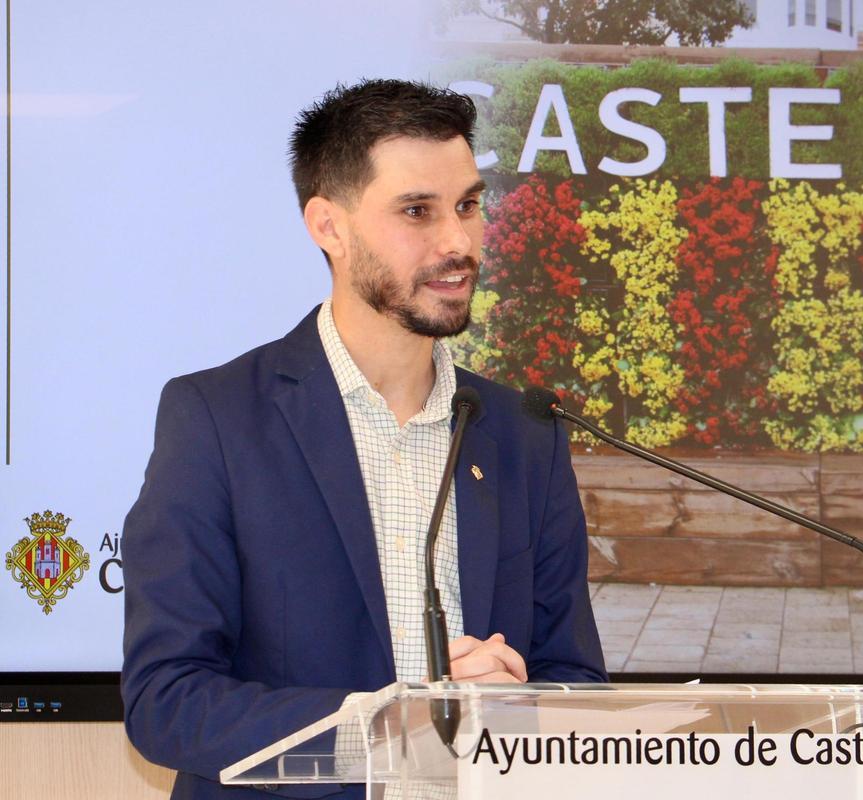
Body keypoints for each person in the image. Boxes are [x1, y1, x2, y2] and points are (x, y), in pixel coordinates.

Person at [121, 79, 607, 800]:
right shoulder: (217, 419)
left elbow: (574, 678)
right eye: (418, 211)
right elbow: (169, 701)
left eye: (468, 206)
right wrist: (391, 729)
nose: (459, 242)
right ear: (330, 227)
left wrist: (515, 708)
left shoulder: (524, 432)